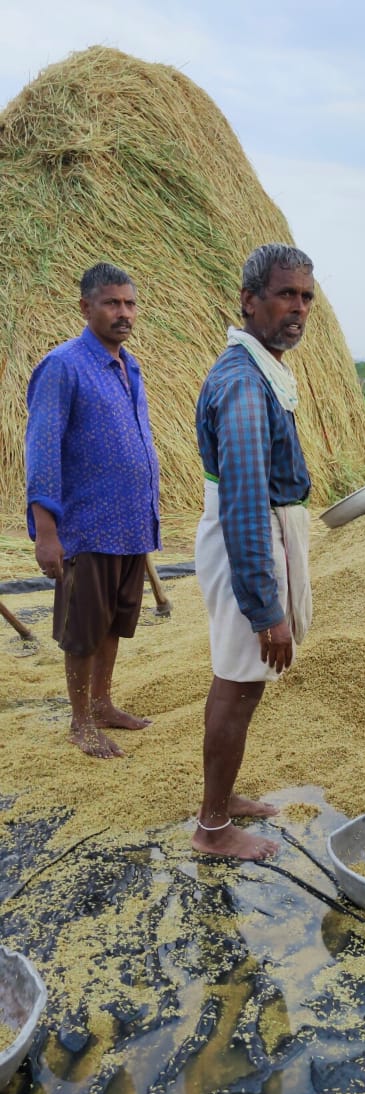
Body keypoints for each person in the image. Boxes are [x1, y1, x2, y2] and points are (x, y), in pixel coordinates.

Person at [193, 243, 315, 860]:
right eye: (285, 294)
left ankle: (224, 795)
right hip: (250, 540)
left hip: (261, 533)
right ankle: (213, 828)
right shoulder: (243, 384)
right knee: (237, 682)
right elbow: (244, 502)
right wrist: (266, 607)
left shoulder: (262, 370)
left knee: (245, 680)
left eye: (306, 298)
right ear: (249, 299)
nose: (298, 309)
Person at [25, 262, 161, 759]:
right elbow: (42, 449)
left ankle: (102, 704)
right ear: (86, 308)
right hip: (87, 524)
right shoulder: (63, 365)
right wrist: (46, 530)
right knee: (82, 629)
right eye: (111, 303)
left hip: (130, 524)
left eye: (129, 303)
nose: (123, 313)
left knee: (113, 622)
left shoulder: (130, 365)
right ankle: (80, 721)